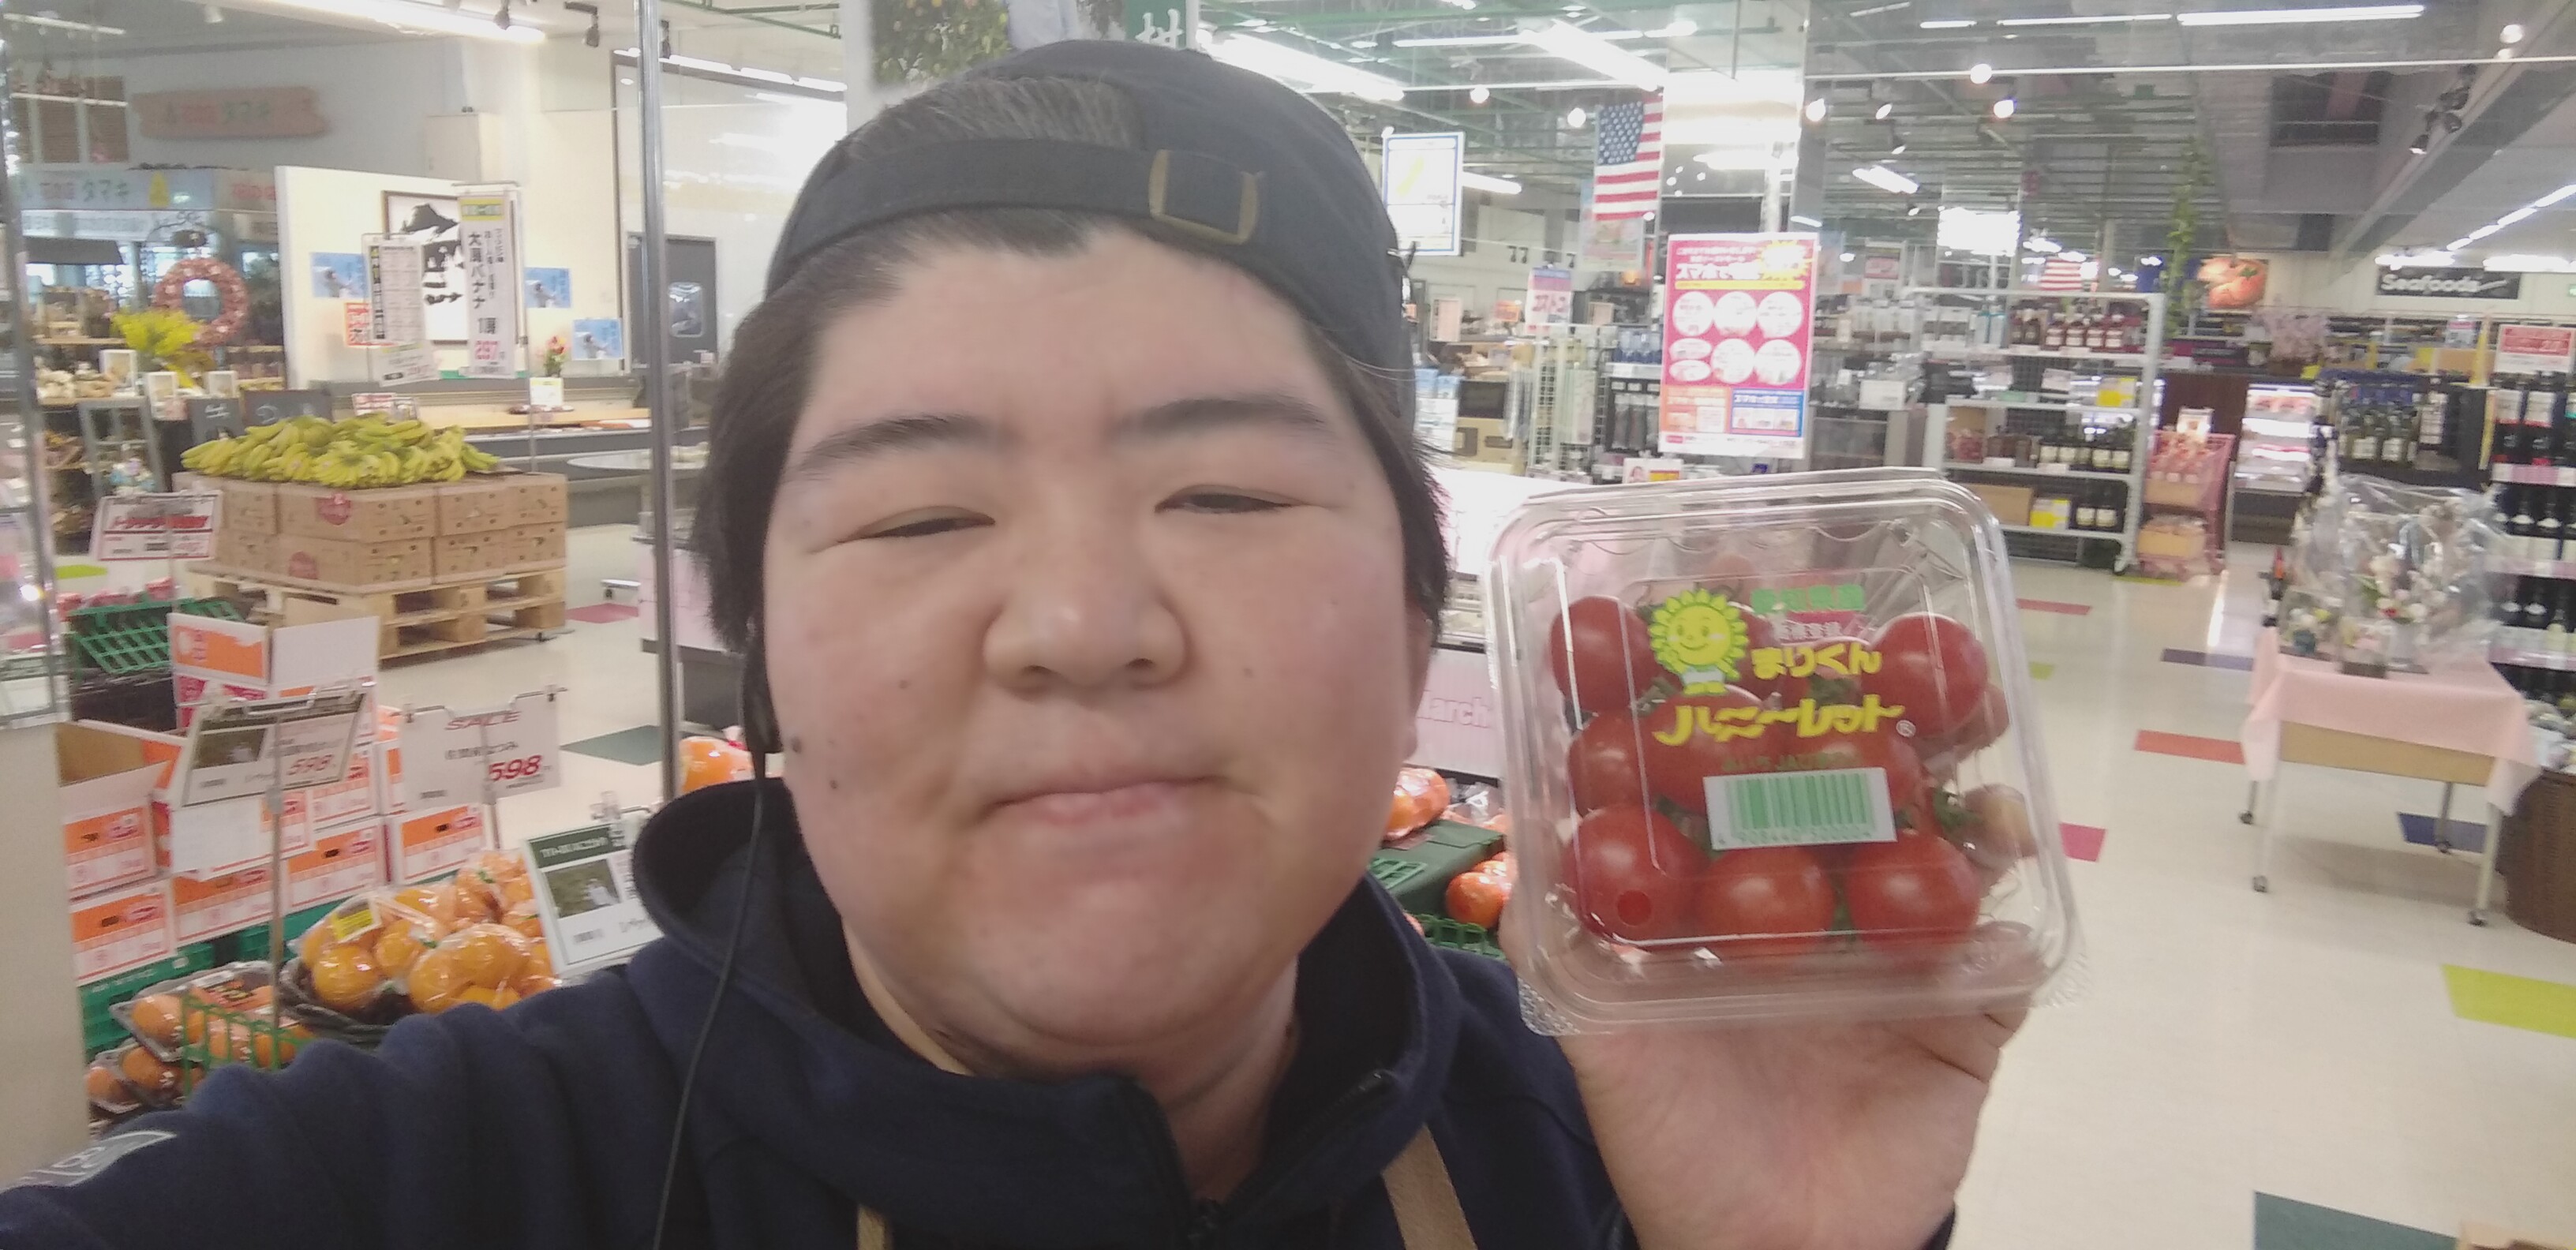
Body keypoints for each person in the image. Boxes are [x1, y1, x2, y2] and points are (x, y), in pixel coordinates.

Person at [0, 43, 2020, 1249]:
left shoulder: (1587, 1165)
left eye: (1225, 494)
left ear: (1426, 625)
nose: (1081, 627)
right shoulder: (436, 1181)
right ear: (762, 659)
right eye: (917, 515)